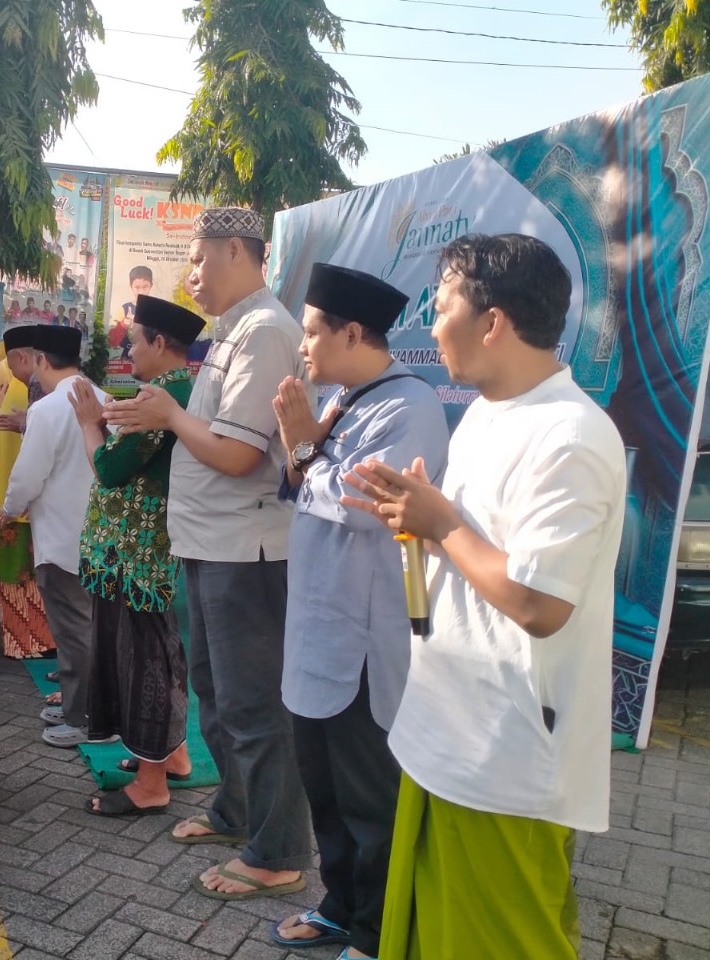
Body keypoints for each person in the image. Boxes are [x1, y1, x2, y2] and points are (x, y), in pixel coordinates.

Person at [341, 234, 626, 960]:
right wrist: (419, 520)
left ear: (491, 321)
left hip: (505, 756)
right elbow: (472, 552)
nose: (431, 328)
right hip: (447, 730)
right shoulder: (489, 414)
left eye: (441, 308)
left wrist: (441, 522)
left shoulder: (572, 434)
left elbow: (539, 602)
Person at [105, 207, 311, 899]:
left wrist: (167, 415)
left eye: (197, 259)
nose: (191, 275)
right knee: (216, 697)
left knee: (254, 706)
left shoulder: (264, 333)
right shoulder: (232, 333)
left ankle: (279, 851)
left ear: (235, 250)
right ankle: (237, 811)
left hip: (244, 552)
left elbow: (236, 453)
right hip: (208, 544)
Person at [271, 264, 449, 959]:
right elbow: (306, 480)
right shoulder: (347, 401)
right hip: (316, 631)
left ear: (352, 331)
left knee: (371, 805)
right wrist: (305, 439)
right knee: (328, 798)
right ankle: (341, 906)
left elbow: (362, 508)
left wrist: (304, 445)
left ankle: (381, 936)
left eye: (313, 332)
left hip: (364, 645)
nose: (304, 347)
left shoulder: (410, 407)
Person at [74, 296, 202, 815]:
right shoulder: (176, 392)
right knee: (159, 654)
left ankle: (152, 785)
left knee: (146, 660)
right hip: (144, 551)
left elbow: (108, 468)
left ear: (160, 344)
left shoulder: (159, 400)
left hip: (140, 556)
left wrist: (88, 422)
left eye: (134, 341)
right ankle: (171, 757)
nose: (127, 351)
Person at [0, 325, 107, 748]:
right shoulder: (100, 397)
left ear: (42, 360)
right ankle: (81, 706)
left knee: (75, 631)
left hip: (62, 541)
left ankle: (86, 720)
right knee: (92, 627)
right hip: (99, 538)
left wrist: (8, 509)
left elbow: (28, 475)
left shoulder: (47, 409)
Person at [0, 348, 56, 659]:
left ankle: (29, 642)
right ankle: (32, 640)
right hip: (15, 508)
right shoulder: (15, 406)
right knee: (20, 577)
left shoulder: (18, 405)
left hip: (15, 511)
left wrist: (9, 504)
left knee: (19, 578)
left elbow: (17, 463)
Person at [108, 265, 154, 352]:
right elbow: (112, 342)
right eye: (137, 287)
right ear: (131, 286)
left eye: (145, 287)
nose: (141, 292)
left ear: (151, 285)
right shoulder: (124, 310)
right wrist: (123, 325)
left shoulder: (157, 309)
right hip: (128, 357)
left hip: (150, 359)